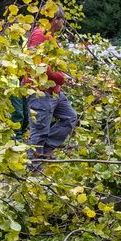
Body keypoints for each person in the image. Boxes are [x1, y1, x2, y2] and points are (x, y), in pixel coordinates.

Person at [23, 19, 77, 170]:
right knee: (39, 131)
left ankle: (46, 148)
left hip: (54, 92)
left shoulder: (51, 37)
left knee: (70, 117)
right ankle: (33, 170)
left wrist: (66, 76)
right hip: (40, 90)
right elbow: (38, 64)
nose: (63, 24)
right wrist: (62, 78)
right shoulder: (39, 35)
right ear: (56, 20)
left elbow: (53, 65)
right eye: (63, 20)